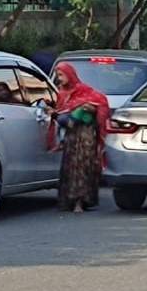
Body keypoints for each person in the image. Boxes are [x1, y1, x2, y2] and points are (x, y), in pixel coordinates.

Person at [49, 62, 110, 213]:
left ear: (70, 75)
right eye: (58, 75)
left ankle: (81, 201)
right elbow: (61, 110)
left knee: (83, 167)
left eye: (62, 75)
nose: (59, 78)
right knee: (70, 168)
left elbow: (100, 103)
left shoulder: (84, 91)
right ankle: (69, 200)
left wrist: (91, 109)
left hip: (85, 136)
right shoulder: (62, 93)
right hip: (71, 138)